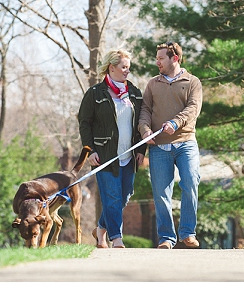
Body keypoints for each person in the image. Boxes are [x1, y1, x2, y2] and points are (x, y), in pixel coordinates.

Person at [78, 49, 145, 249]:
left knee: (124, 196)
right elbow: (84, 123)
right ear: (112, 67)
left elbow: (141, 121)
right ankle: (116, 238)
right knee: (113, 197)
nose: (127, 71)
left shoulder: (134, 93)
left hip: (129, 155)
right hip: (105, 156)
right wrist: (90, 151)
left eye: (129, 68)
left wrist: (141, 151)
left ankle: (100, 228)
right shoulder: (95, 93)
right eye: (124, 67)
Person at [138, 41, 203, 249]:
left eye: (161, 58)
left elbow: (193, 108)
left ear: (174, 58)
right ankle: (166, 238)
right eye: (157, 58)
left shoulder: (192, 82)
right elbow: (145, 110)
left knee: (191, 183)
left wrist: (176, 122)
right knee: (161, 193)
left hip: (186, 143)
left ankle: (187, 233)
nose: (157, 62)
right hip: (159, 146)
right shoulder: (152, 84)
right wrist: (145, 130)